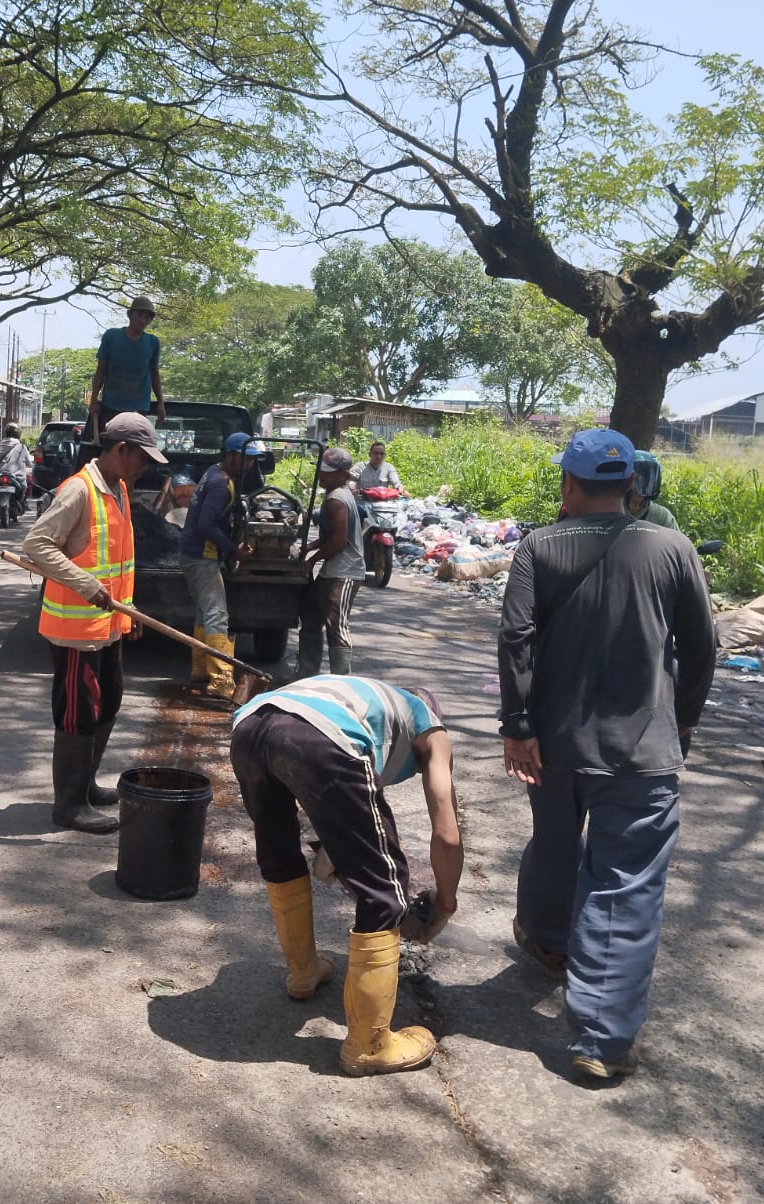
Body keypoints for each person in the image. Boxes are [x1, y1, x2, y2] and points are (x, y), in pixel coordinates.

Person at [497, 428, 715, 1081]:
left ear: (569, 484)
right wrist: (682, 722)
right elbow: (701, 649)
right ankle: (599, 1038)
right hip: (640, 753)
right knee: (624, 882)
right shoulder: (673, 548)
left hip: (553, 746)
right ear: (631, 486)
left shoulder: (539, 546)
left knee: (554, 841)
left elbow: (516, 638)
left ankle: (547, 941)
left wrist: (518, 725)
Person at [230, 676, 463, 1076]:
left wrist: (338, 852)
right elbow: (447, 835)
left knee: (279, 851)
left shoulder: (363, 701)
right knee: (385, 887)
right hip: (318, 736)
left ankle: (303, 972)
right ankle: (370, 1046)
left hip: (250, 727)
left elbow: (331, 802)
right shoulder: (430, 726)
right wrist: (445, 901)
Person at [22, 413, 168, 833]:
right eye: (142, 458)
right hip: (76, 631)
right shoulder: (78, 490)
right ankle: (68, 806)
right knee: (78, 713)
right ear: (121, 449)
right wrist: (85, 584)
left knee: (108, 703)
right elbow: (36, 544)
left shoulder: (118, 488)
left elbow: (118, 559)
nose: (145, 467)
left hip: (109, 625)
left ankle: (85, 785)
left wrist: (129, 608)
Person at [179, 433, 263, 703]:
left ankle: (200, 668)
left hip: (191, 554)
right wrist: (233, 548)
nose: (249, 465)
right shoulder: (221, 484)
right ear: (230, 455)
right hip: (201, 557)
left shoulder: (213, 472)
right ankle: (221, 679)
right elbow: (206, 524)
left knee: (204, 613)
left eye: (253, 460)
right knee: (217, 615)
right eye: (246, 459)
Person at [298, 447, 367, 677]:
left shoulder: (337, 499)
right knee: (311, 613)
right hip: (333, 569)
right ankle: (306, 675)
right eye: (321, 471)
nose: (322, 475)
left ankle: (342, 679)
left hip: (346, 571)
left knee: (336, 624)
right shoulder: (335, 494)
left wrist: (312, 560)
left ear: (343, 474)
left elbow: (338, 541)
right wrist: (310, 547)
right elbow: (331, 536)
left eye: (327, 472)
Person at [88, 296, 165, 438]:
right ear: (129, 314)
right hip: (111, 405)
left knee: (134, 444)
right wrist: (94, 400)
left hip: (138, 407)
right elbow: (100, 371)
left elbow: (155, 374)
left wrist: (161, 403)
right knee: (110, 442)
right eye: (139, 315)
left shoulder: (152, 342)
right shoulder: (112, 336)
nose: (143, 320)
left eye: (147, 317)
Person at [629, 450, 678, 530]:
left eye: (646, 480)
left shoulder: (662, 517)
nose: (641, 485)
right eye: (637, 479)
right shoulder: (613, 512)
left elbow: (675, 538)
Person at [0, 422, 33, 507]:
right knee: (26, 485)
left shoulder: (1, 444)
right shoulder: (22, 447)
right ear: (18, 434)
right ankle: (22, 501)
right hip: (17, 475)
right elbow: (28, 462)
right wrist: (32, 466)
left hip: (2, 473)